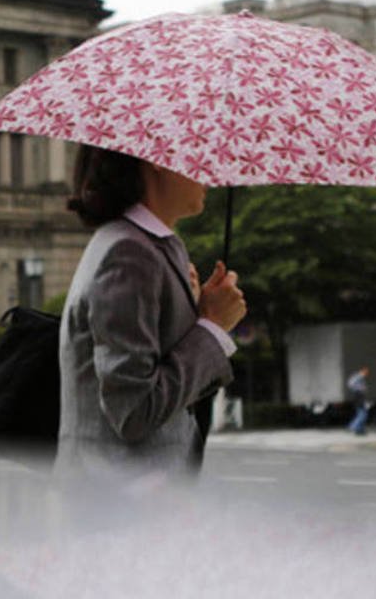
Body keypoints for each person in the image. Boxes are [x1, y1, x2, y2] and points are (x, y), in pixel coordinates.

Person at [56, 145, 247, 479]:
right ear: (157, 157)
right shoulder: (128, 252)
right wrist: (213, 328)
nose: (211, 168)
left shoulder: (150, 246)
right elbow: (133, 411)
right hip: (122, 502)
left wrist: (200, 316)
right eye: (197, 148)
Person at [346, 366, 370, 435]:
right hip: (358, 396)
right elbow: (350, 384)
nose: (367, 373)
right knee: (363, 414)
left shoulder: (361, 378)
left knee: (361, 413)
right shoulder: (358, 377)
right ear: (362, 370)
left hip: (360, 396)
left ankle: (359, 430)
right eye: (366, 371)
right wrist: (358, 389)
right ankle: (352, 427)